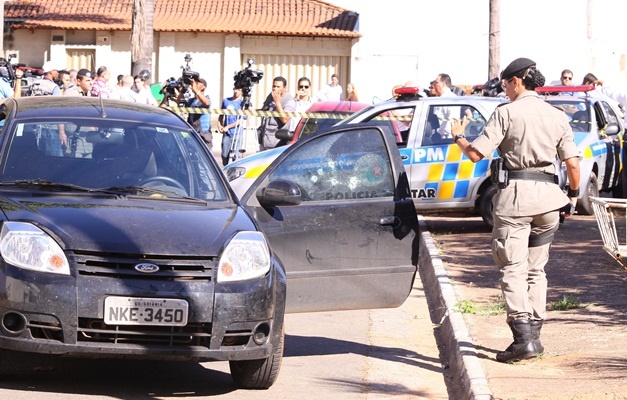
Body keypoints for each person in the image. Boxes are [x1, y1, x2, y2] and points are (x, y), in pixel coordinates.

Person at [451, 57, 581, 363]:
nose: (505, 91)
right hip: (550, 201)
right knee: (537, 269)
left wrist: (458, 136)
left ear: (516, 81)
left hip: (516, 202)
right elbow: (573, 165)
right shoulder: (557, 115)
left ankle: (522, 340)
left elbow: (476, 154)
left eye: (506, 84)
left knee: (512, 267)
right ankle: (534, 337)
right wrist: (572, 198)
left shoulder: (505, 113)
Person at [258, 76, 296, 150]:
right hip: (264, 140)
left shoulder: (289, 101)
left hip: (277, 143)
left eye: (278, 87)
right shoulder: (270, 96)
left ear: (284, 88)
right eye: (274, 86)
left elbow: (285, 119)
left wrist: (277, 102)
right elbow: (264, 111)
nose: (275, 89)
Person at [177, 77, 212, 147]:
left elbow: (207, 103)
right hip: (192, 134)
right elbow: (178, 102)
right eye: (194, 83)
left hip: (203, 136)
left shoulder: (207, 99)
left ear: (203, 87)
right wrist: (182, 91)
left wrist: (196, 89)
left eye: (197, 84)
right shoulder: (191, 101)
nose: (194, 85)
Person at [217, 87, 244, 166]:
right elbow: (221, 115)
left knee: (235, 157)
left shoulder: (242, 103)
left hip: (237, 133)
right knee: (225, 155)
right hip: (227, 134)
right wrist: (219, 125)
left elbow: (241, 120)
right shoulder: (226, 101)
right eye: (235, 89)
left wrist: (228, 126)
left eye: (239, 89)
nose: (236, 91)